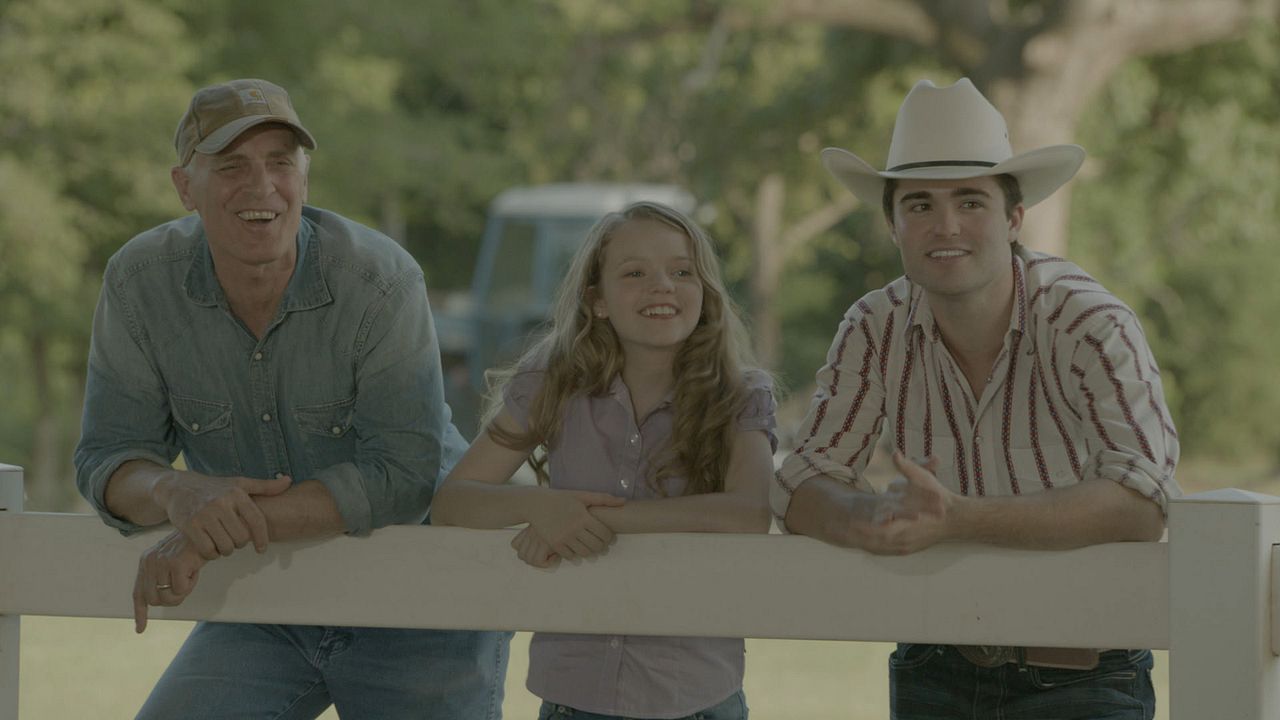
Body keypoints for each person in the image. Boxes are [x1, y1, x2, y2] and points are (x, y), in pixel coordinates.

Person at [73, 78, 509, 719]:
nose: (263, 187)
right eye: (231, 167)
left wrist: (208, 533)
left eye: (282, 162)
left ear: (305, 177)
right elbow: (108, 456)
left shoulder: (381, 281)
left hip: (420, 596)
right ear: (184, 187)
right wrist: (176, 492)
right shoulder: (139, 282)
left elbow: (402, 475)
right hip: (264, 601)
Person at [771, 78, 1181, 719]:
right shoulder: (872, 326)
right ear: (893, 224)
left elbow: (1142, 500)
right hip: (935, 662)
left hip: (1083, 672)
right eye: (919, 205)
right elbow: (800, 479)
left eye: (970, 201)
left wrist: (960, 520)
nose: (946, 226)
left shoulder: (1086, 321)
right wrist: (872, 519)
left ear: (1014, 218)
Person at [431, 201, 777, 720]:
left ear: (704, 293)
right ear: (597, 300)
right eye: (635, 272)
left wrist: (588, 519)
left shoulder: (740, 394)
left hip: (694, 697)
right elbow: (454, 503)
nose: (662, 285)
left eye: (682, 271)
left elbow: (749, 513)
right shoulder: (553, 380)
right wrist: (540, 509)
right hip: (576, 696)